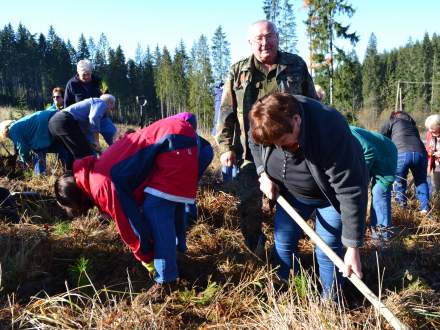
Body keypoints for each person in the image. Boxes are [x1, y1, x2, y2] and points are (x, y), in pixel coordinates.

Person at [54, 113, 212, 299]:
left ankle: (166, 281)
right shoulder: (95, 172)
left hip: (174, 145)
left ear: (77, 198)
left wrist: (147, 257)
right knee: (166, 202)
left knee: (156, 210)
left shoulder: (101, 186)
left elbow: (130, 227)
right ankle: (177, 254)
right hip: (180, 140)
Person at [248, 93, 367, 298]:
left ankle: (331, 304)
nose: (279, 149)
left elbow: (350, 190)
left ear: (296, 120)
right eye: (273, 145)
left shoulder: (329, 128)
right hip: (290, 195)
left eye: (284, 143)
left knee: (328, 251)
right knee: (283, 243)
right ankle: (288, 292)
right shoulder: (263, 120)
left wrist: (353, 247)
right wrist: (263, 173)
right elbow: (254, 144)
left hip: (330, 198)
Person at [215, 20, 318, 254]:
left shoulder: (295, 65)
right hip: (250, 153)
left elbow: (311, 105)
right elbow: (226, 113)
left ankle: (289, 251)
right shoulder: (238, 71)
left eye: (269, 36)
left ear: (277, 37)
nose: (264, 43)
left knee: (293, 201)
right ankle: (256, 250)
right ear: (250, 43)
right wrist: (225, 148)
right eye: (258, 39)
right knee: (248, 204)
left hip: (290, 152)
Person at [350, 126, 397, 242]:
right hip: (365, 155)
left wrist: (360, 176)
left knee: (379, 193)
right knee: (359, 192)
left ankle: (382, 237)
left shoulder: (344, 130)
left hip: (386, 152)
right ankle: (357, 232)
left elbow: (368, 150)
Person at [48, 94, 116, 170]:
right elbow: (94, 117)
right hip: (65, 121)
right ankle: (88, 178)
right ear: (110, 103)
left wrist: (94, 145)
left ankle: (70, 177)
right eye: (111, 108)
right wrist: (96, 141)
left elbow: (86, 133)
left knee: (71, 155)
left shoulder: (88, 106)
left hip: (54, 123)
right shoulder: (101, 102)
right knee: (86, 155)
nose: (110, 111)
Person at [380, 111, 429, 214]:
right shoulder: (412, 126)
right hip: (420, 153)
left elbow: (382, 138)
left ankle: (402, 209)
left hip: (402, 153)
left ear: (394, 116)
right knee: (421, 181)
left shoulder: (392, 121)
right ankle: (425, 209)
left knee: (400, 181)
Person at [64, 59, 116, 146]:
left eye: (89, 74)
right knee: (92, 147)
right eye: (84, 75)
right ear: (78, 72)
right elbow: (67, 105)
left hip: (102, 117)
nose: (87, 77)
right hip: (84, 122)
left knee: (115, 138)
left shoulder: (99, 81)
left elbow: (107, 97)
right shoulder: (71, 84)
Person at [0, 108, 65, 175]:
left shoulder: (12, 130)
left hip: (42, 125)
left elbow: (23, 147)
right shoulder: (18, 124)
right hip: (51, 118)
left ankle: (40, 175)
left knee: (38, 150)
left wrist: (26, 161)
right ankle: (66, 169)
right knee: (60, 148)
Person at [425, 114, 440, 196]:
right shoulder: (429, 134)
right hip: (435, 164)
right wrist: (430, 152)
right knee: (435, 186)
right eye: (429, 128)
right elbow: (428, 148)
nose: (430, 130)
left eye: (432, 128)